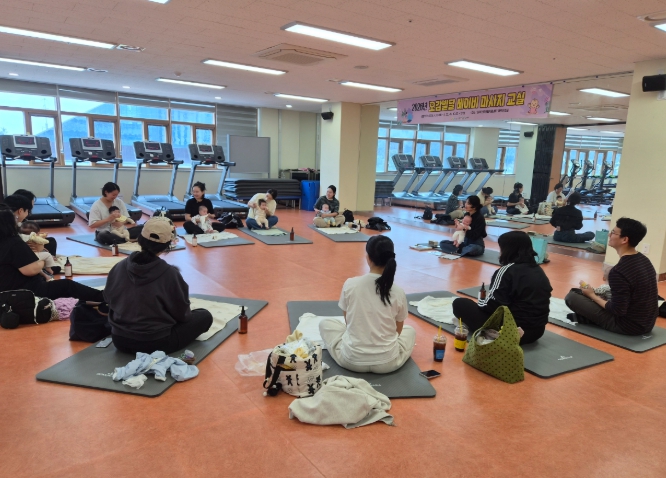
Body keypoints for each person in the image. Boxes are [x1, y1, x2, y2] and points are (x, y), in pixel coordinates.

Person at [105, 217, 213, 354]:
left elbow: (108, 298)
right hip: (155, 343)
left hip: (120, 340)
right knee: (204, 316)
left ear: (140, 239)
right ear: (166, 245)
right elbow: (183, 315)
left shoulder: (119, 266)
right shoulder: (169, 274)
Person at [319, 235, 415, 374]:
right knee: (410, 331)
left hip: (351, 361)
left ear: (368, 258)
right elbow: (398, 332)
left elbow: (348, 322)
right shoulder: (398, 291)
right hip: (388, 363)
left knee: (325, 324)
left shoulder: (350, 284)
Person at [452, 231, 552, 345]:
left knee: (460, 304)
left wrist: (481, 302)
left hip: (513, 332)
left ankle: (493, 333)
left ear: (508, 249)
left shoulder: (507, 271)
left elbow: (492, 307)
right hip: (537, 332)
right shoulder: (538, 270)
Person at [565, 218, 658, 335]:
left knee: (572, 296)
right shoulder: (644, 260)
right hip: (647, 323)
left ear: (624, 239)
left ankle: (591, 319)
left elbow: (617, 310)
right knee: (588, 294)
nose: (609, 235)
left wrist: (592, 295)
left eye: (613, 232)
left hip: (627, 326)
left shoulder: (618, 271)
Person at [0, 205, 105, 302]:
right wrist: (43, 261)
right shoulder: (14, 243)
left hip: (8, 289)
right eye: (15, 218)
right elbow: (31, 270)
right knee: (67, 285)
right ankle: (103, 298)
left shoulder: (8, 241)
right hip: (24, 291)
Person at [11, 189, 57, 256]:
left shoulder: (20, 220)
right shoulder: (11, 222)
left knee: (51, 241)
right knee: (51, 242)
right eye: (28, 210)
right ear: (21, 210)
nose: (29, 212)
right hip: (18, 249)